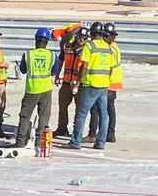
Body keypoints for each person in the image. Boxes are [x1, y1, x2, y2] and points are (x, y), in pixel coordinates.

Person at [70, 23, 119, 151]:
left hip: (91, 84)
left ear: (91, 34)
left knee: (81, 113)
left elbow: (84, 66)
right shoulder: (108, 48)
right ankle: (100, 142)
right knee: (104, 114)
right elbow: (111, 67)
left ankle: (75, 141)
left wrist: (78, 82)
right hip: (104, 85)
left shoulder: (89, 46)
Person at [14, 26, 58, 149]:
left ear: (36, 40)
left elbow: (22, 70)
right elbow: (54, 71)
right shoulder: (52, 55)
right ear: (47, 41)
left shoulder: (28, 55)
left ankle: (20, 142)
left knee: (25, 116)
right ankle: (40, 144)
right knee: (44, 116)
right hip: (46, 90)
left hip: (31, 90)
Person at [86, 22, 124, 145]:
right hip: (113, 81)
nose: (104, 37)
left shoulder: (110, 48)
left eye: (106, 35)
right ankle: (110, 133)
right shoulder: (114, 46)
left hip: (109, 81)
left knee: (100, 109)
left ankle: (100, 133)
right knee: (109, 108)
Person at [53, 25, 88, 137]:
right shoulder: (67, 46)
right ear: (76, 36)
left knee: (80, 110)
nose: (82, 40)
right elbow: (61, 60)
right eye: (81, 37)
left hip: (80, 84)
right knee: (62, 107)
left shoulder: (87, 50)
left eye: (85, 38)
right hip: (67, 82)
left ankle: (77, 131)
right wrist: (57, 75)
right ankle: (62, 128)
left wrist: (79, 82)